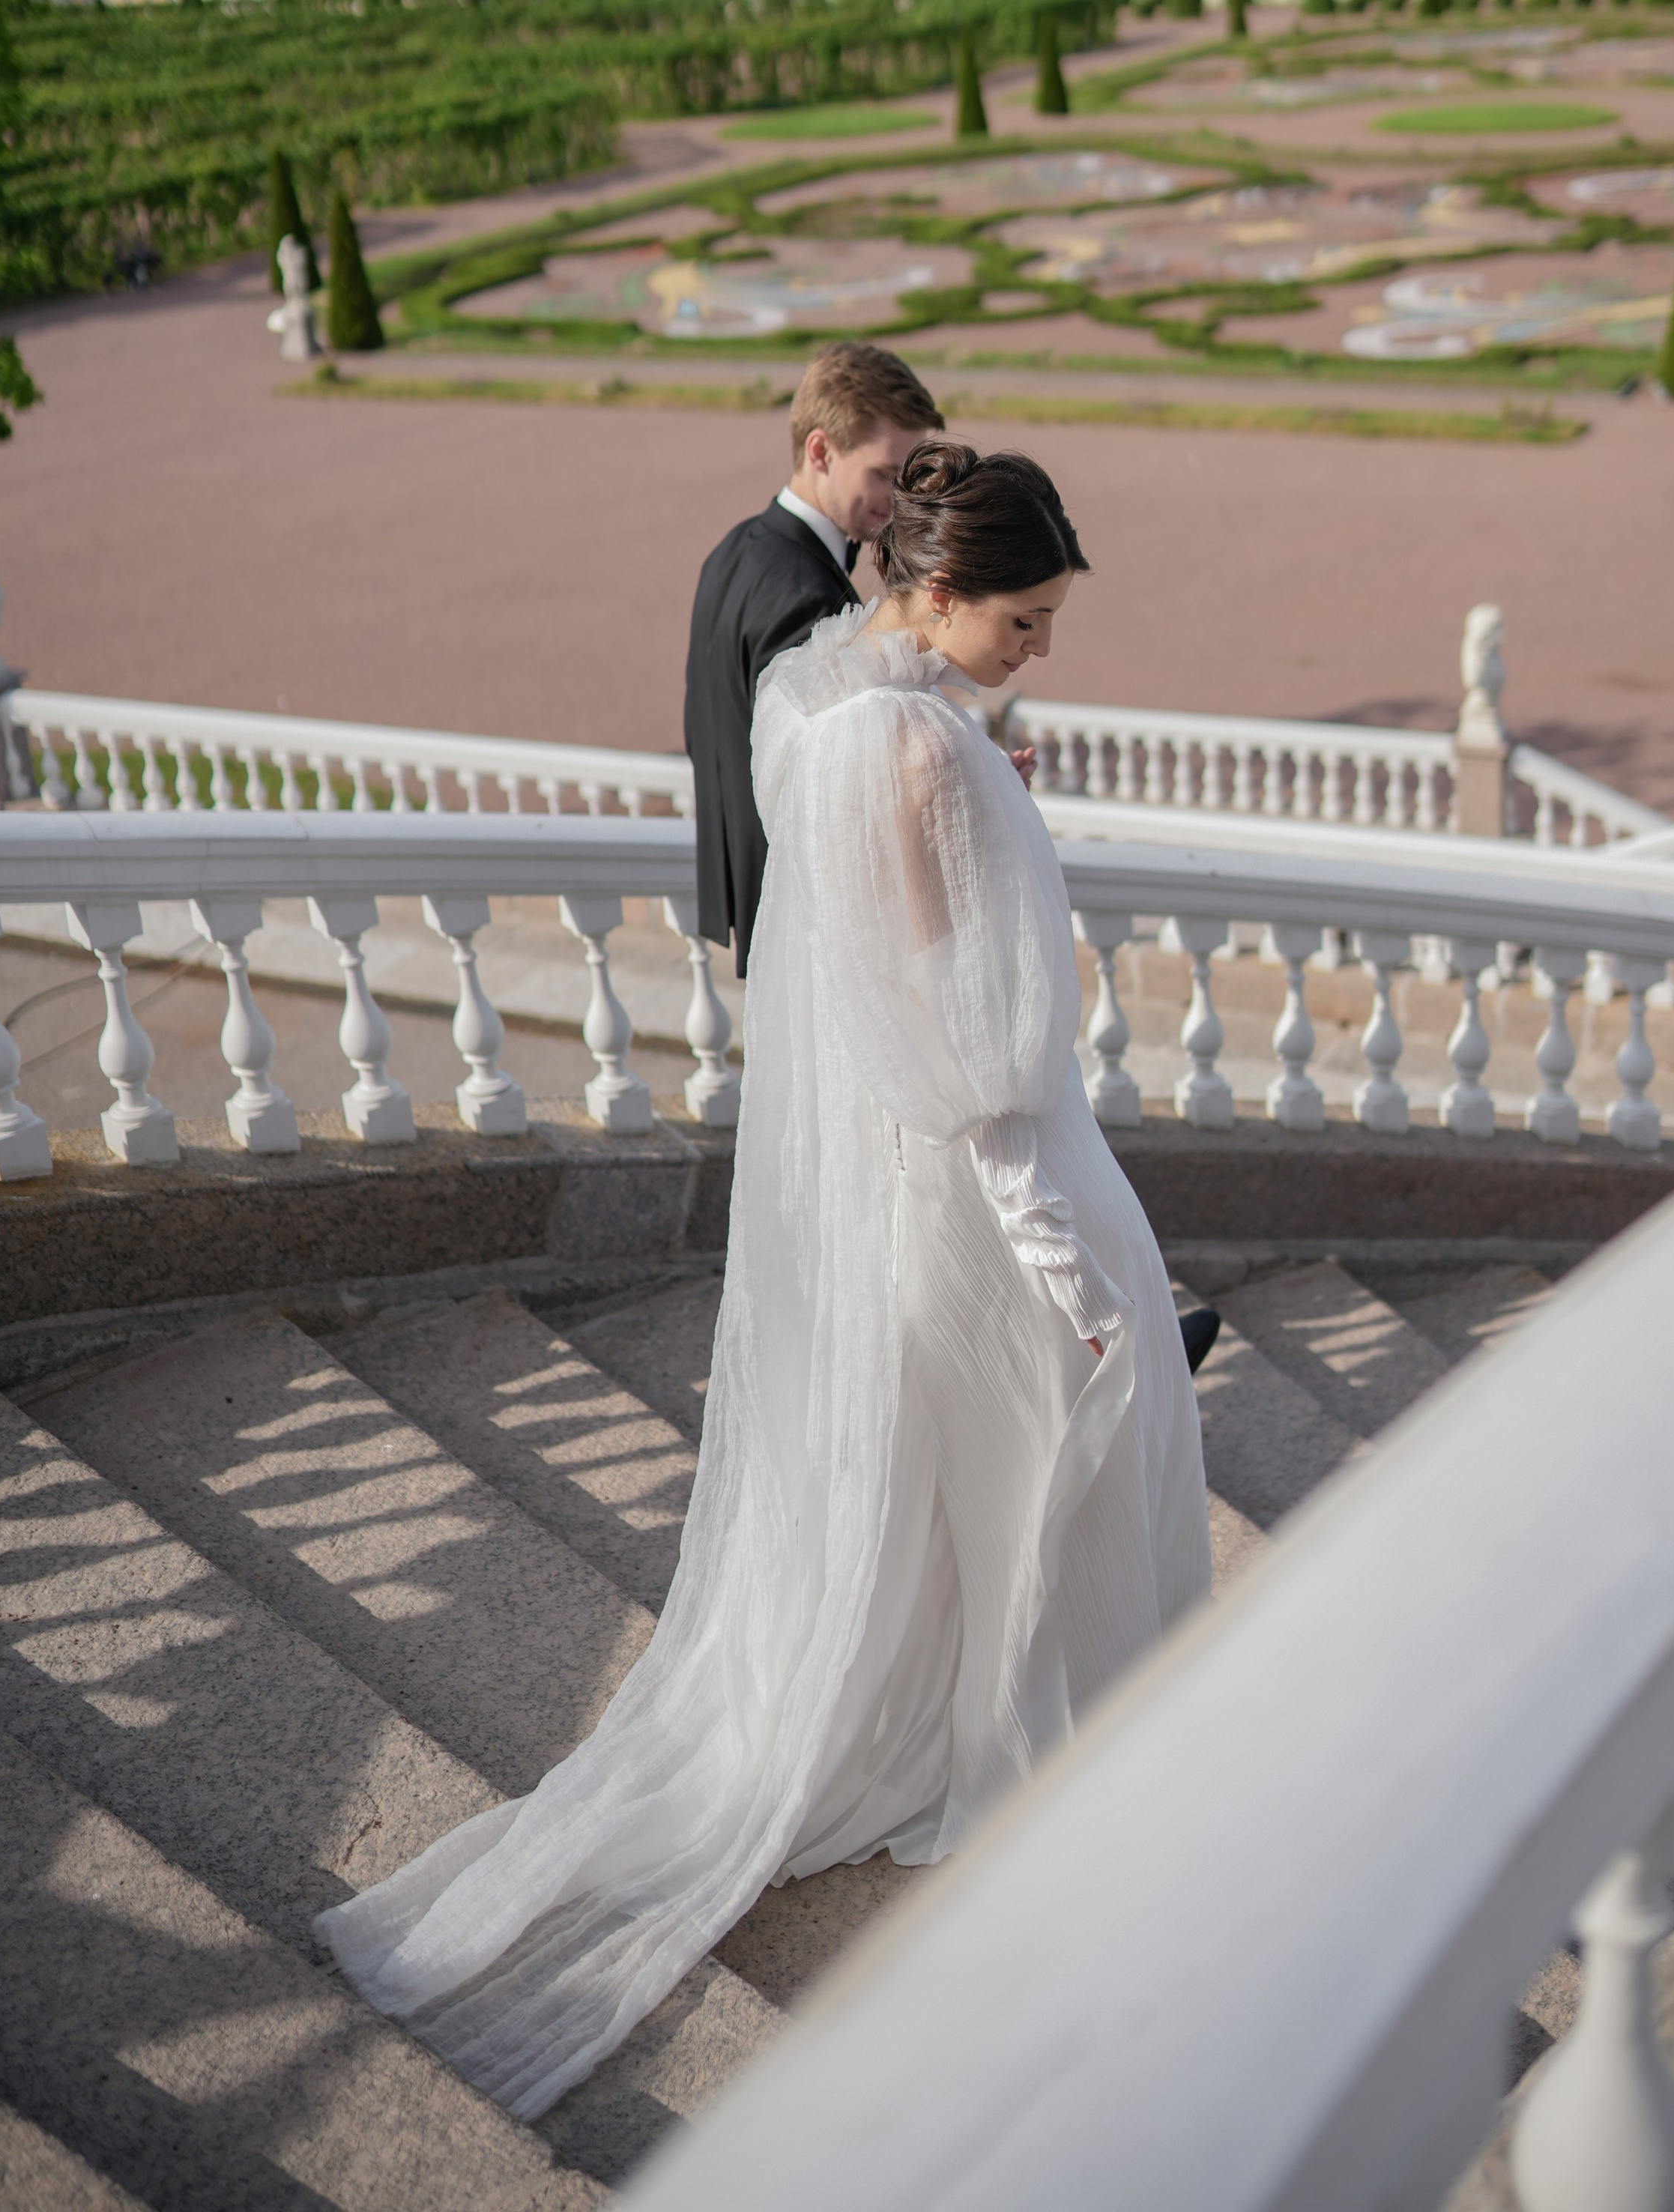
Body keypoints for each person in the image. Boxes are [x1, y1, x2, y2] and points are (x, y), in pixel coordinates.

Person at [316, 443, 1213, 2123]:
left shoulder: (833, 698)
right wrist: (1070, 1268)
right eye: (1022, 620)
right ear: (933, 591)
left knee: (978, 1484)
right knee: (1054, 1464)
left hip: (913, 1190)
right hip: (988, 1186)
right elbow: (975, 1052)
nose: (1039, 649)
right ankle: (1048, 1756)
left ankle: (977, 1719)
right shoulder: (922, 751)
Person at [685, 340, 942, 974]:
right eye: (885, 474)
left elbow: (701, 730)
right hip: (803, 931)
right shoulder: (811, 597)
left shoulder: (733, 550)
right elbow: (834, 784)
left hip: (755, 900)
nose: (901, 501)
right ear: (820, 451)